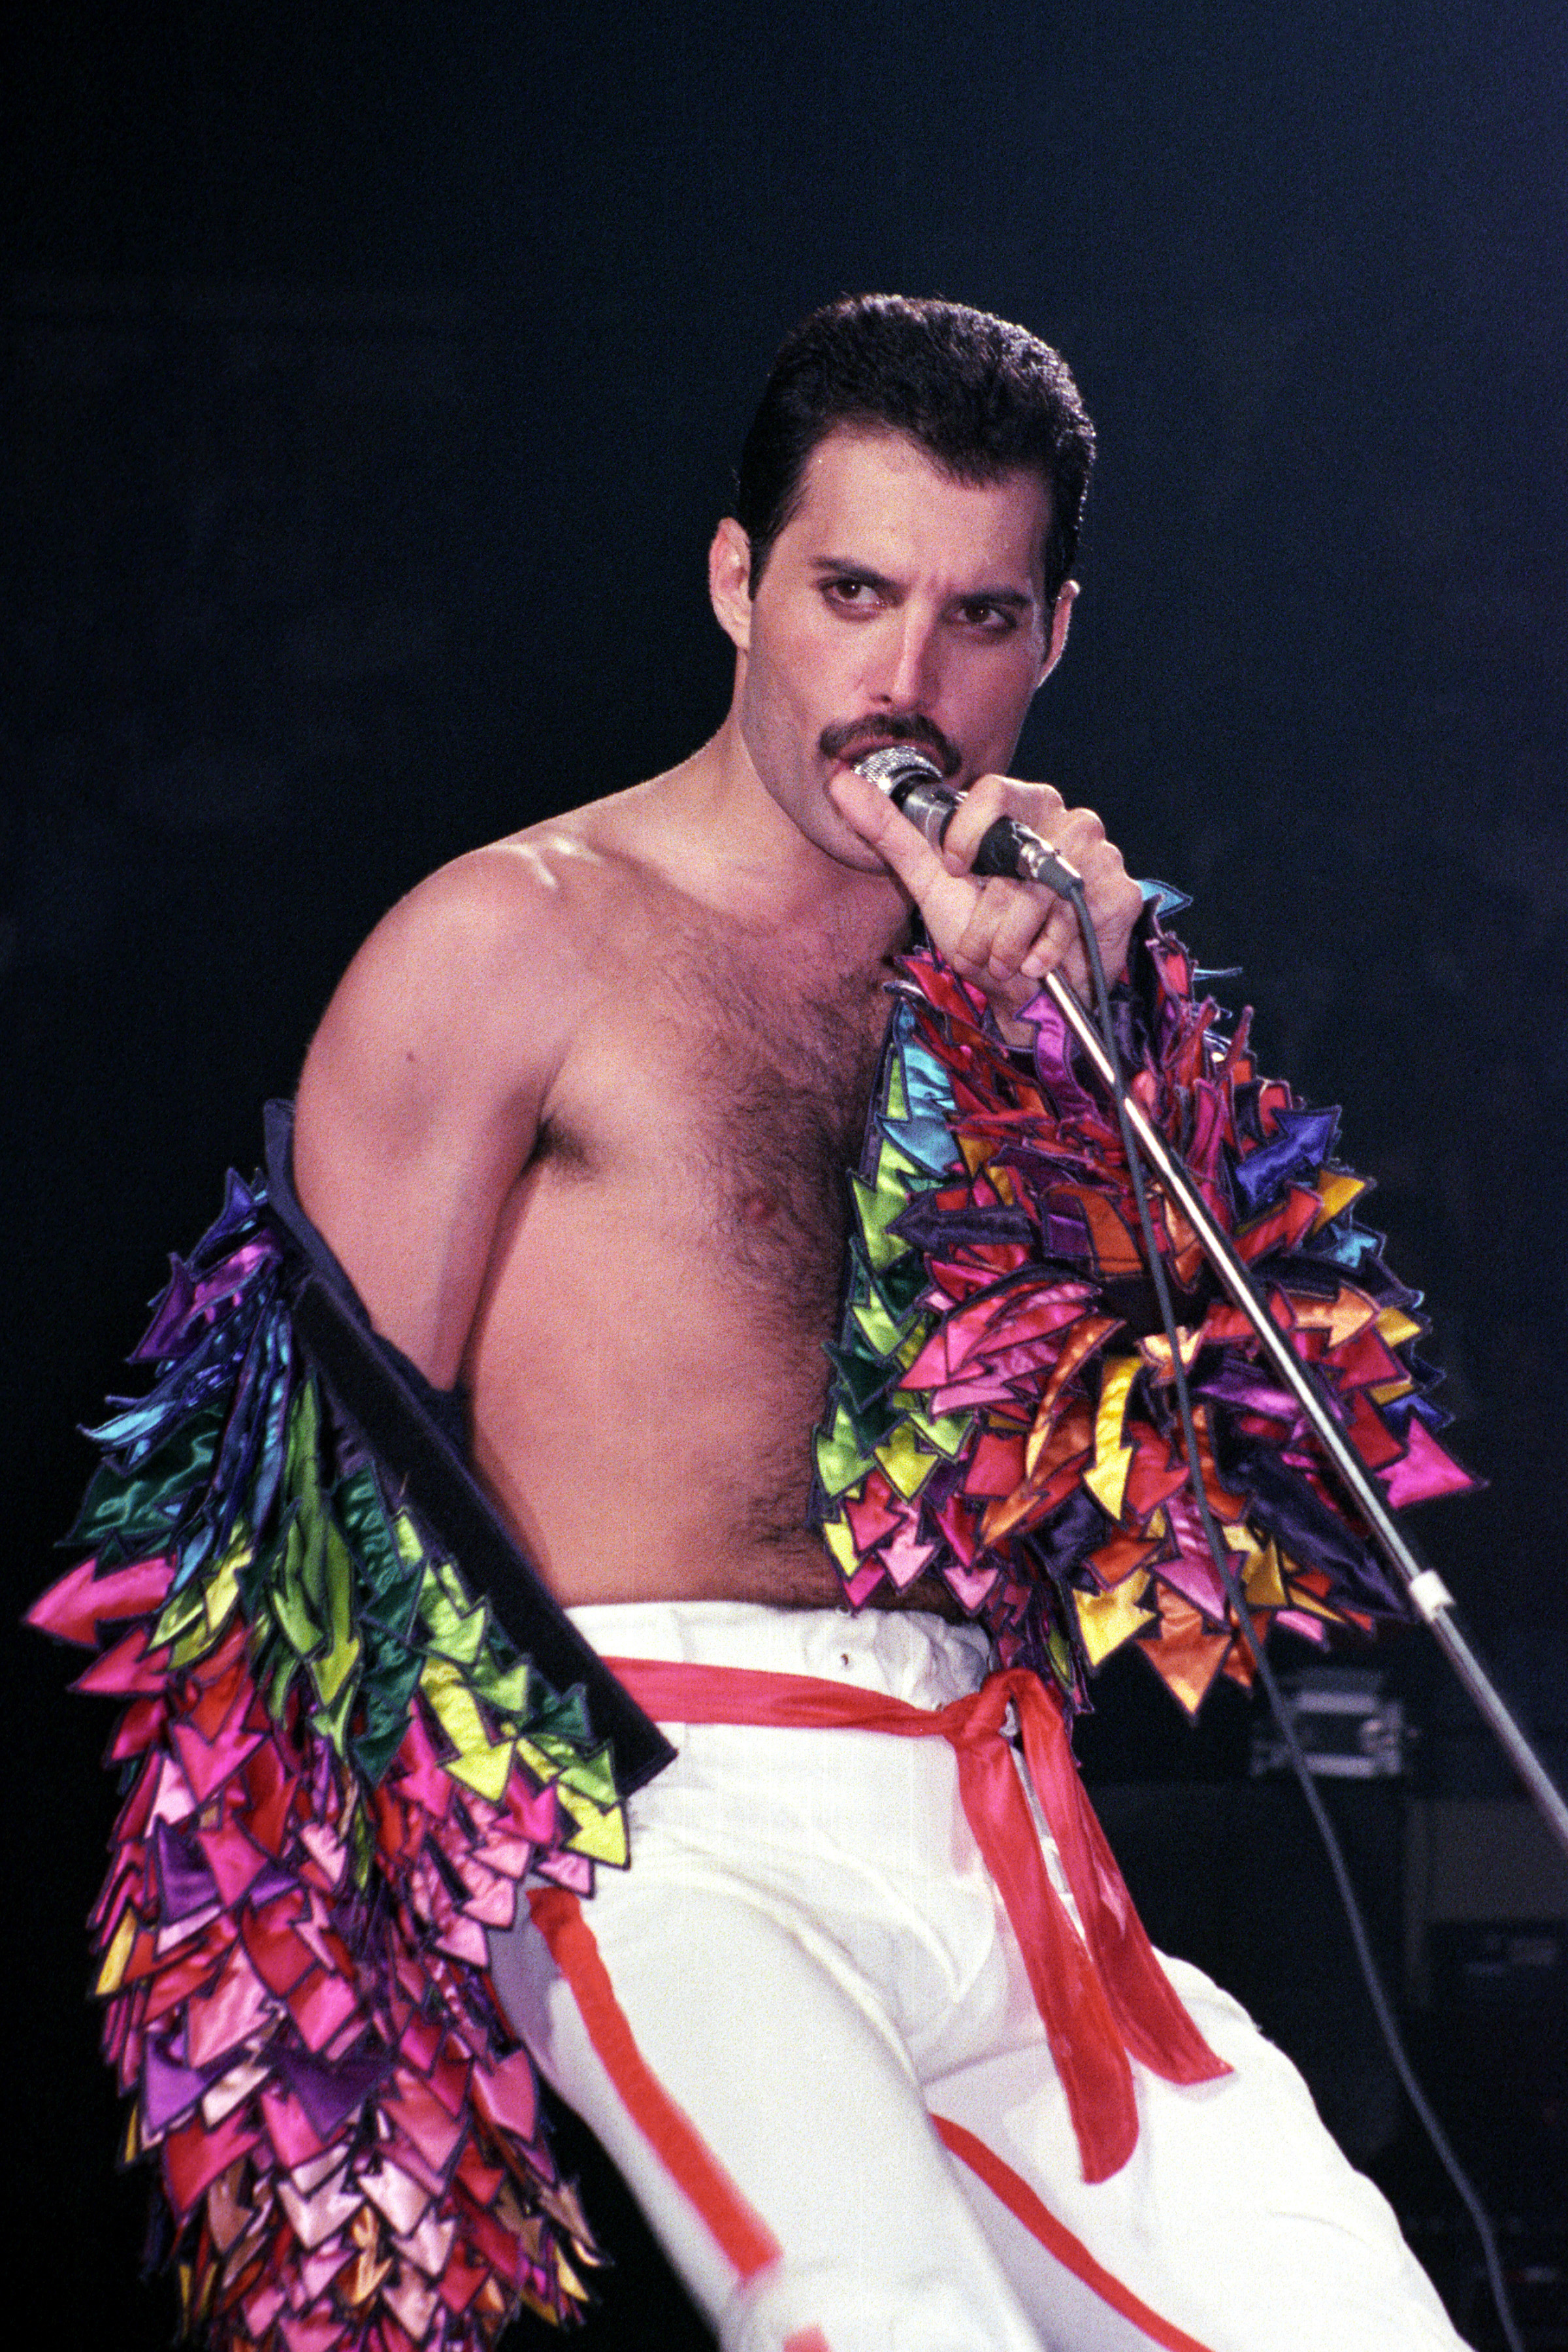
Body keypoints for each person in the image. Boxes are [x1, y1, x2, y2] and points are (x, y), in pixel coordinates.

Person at [281, 295, 1467, 2350]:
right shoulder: (505, 943)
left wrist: (1086, 1042)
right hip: (667, 1810)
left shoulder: (1053, 969)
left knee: (1354, 2317)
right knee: (881, 2315)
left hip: (999, 1814)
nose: (904, 683)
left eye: (977, 617)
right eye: (852, 594)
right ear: (736, 581)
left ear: (1054, 637)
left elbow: (1214, 1482)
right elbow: (312, 1503)